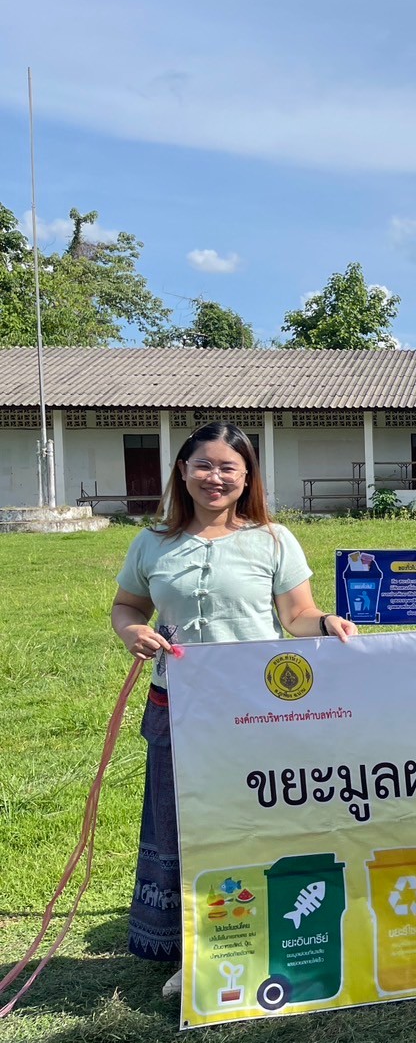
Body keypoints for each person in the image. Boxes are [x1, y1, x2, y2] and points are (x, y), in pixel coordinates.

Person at [111, 422, 355, 998]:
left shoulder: (272, 540)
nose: (214, 477)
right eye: (203, 465)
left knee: (257, 822)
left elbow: (296, 616)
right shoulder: (152, 542)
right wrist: (132, 631)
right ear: (183, 471)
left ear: (247, 478)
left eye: (228, 468)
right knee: (185, 826)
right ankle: (195, 949)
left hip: (259, 711)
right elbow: (127, 605)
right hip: (179, 708)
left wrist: (326, 623)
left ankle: (277, 933)